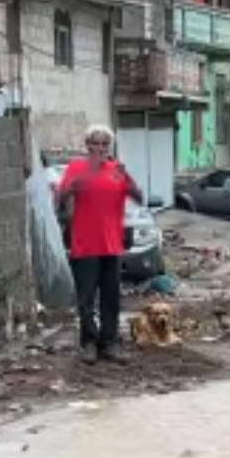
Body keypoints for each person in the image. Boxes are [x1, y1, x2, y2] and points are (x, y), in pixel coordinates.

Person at [56, 125, 144, 364]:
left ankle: (110, 342)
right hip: (85, 245)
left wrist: (129, 181)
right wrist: (70, 191)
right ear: (87, 146)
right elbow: (60, 199)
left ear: (110, 147)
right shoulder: (76, 168)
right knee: (86, 299)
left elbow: (139, 197)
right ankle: (89, 343)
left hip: (112, 245)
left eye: (105, 144)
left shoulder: (117, 170)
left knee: (111, 297)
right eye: (95, 143)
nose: (100, 148)